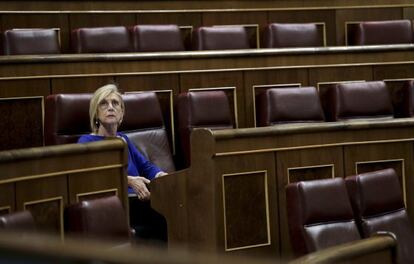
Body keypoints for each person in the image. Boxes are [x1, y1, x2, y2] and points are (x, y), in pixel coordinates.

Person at [78, 84, 167, 243]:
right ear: (96, 114)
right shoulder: (86, 142)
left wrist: (160, 175)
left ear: (122, 114)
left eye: (115, 103)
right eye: (103, 103)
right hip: (114, 207)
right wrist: (129, 180)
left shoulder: (124, 139)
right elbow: (90, 178)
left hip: (140, 202)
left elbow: (146, 166)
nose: (110, 107)